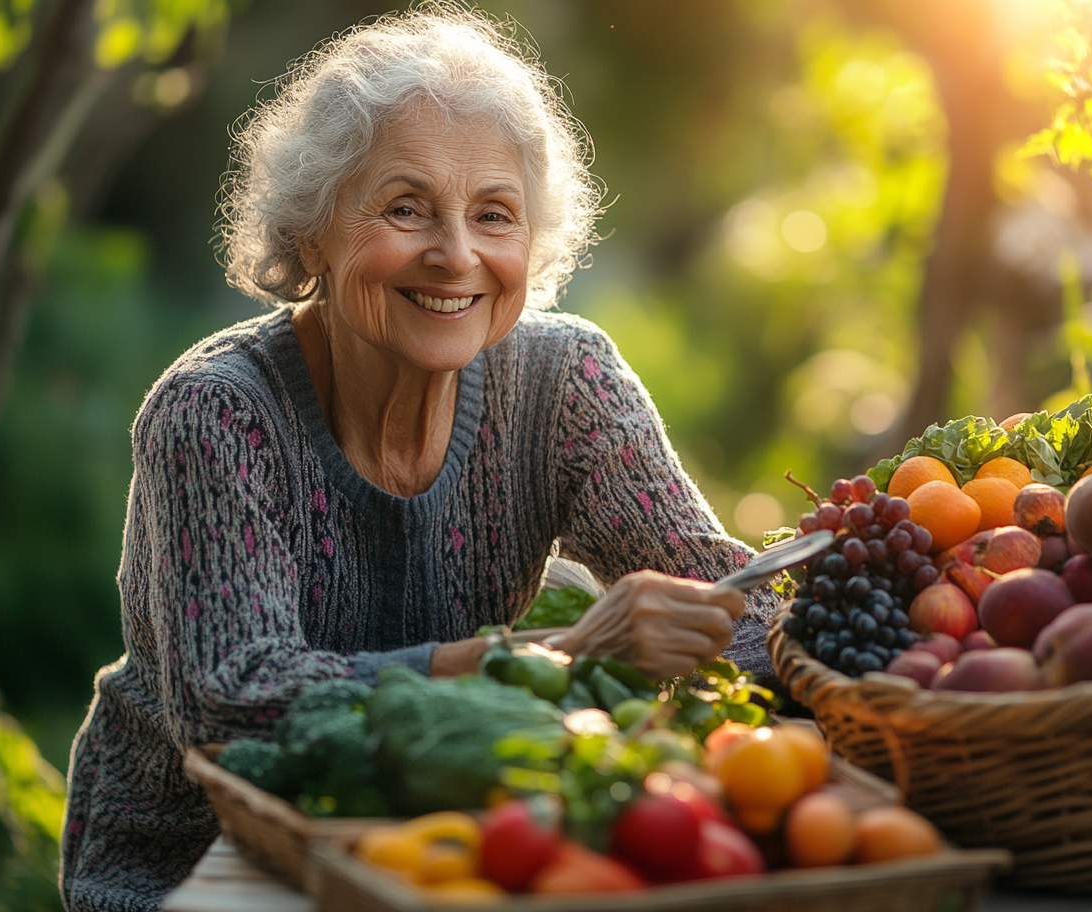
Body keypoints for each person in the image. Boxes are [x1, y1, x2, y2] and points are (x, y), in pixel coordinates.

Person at [59, 5, 780, 910]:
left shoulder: (567, 380)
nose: (456, 254)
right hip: (206, 860)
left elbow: (732, 602)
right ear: (312, 229)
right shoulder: (216, 413)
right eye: (406, 208)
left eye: (494, 215)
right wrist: (547, 653)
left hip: (450, 844)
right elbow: (235, 705)